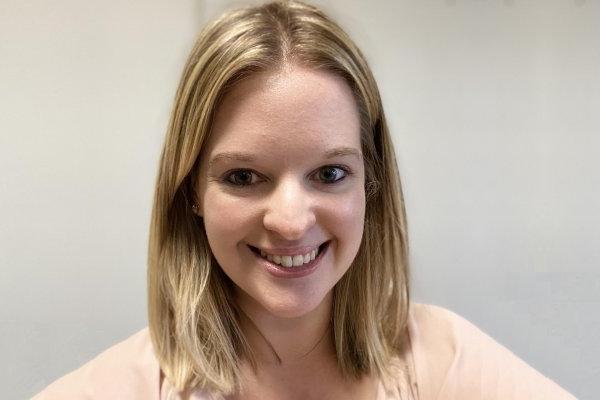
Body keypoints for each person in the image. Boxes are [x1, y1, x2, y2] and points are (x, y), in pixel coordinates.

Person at [33, 1, 577, 399]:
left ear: (372, 182)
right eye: (244, 177)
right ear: (192, 191)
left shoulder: (441, 362)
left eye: (330, 172)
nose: (291, 221)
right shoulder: (118, 387)